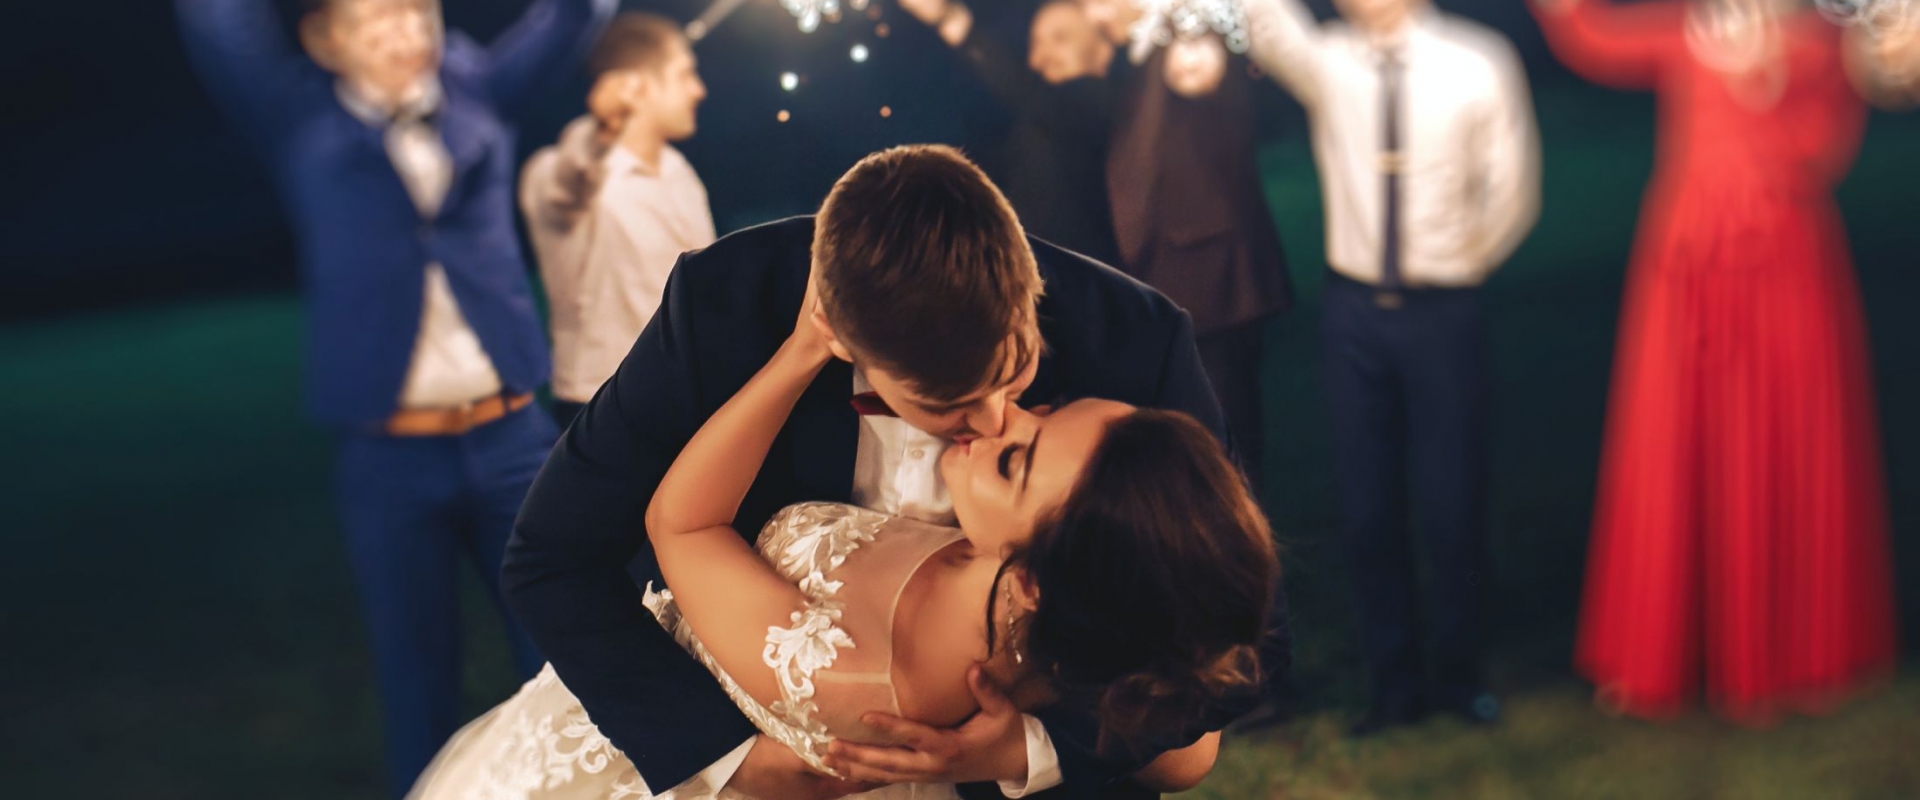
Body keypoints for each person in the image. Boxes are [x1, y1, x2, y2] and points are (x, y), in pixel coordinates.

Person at [503, 144, 1282, 800]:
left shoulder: (1137, 341)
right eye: (947, 405)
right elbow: (552, 556)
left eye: (1014, 372)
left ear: (1028, 287)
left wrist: (1026, 752)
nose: (995, 419)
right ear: (846, 338)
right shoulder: (724, 307)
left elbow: (1220, 633)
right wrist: (730, 760)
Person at [174, 0, 613, 792]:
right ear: (326, 43)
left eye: (417, 14)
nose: (405, 33)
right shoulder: (294, 114)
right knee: (418, 677)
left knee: (563, 662)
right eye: (376, 19)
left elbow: (574, 15)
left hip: (512, 439)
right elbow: (218, 23)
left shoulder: (473, 88)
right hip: (389, 457)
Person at [1532, 0, 1906, 723]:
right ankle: (1668, 650)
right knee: (1676, 443)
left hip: (1787, 263)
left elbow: (1838, 133)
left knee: (1789, 437)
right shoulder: (1681, 30)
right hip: (1690, 263)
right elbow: (1586, 36)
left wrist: (1806, 65)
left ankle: (1789, 653)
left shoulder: (1824, 41)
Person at [1242, 0, 1540, 734]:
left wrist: (1456, 265)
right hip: (1353, 316)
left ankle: (1461, 676)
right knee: (1369, 506)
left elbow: (1512, 187)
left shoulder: (1476, 60)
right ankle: (1394, 685)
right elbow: (1265, 21)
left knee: (1451, 499)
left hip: (1444, 309)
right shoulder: (1330, 61)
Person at [1078, 0, 1296, 499]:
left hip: (1220, 284)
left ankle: (1242, 539)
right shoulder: (1137, 88)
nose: (1189, 57)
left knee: (1228, 428)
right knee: (1190, 429)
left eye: (1201, 43)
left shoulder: (1221, 99)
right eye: (1177, 44)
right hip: (1170, 279)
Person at [521, 12, 716, 428]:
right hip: (599, 414)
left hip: (686, 407)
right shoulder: (554, 174)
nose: (698, 90)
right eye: (685, 74)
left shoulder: (681, 174)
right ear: (637, 86)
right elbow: (566, 186)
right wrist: (601, 129)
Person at [898, 0, 1122, 267]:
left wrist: (953, 21)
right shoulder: (1038, 123)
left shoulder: (1104, 106)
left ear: (1104, 49)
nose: (1040, 57)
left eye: (1060, 38)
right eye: (1036, 43)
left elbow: (1027, 93)